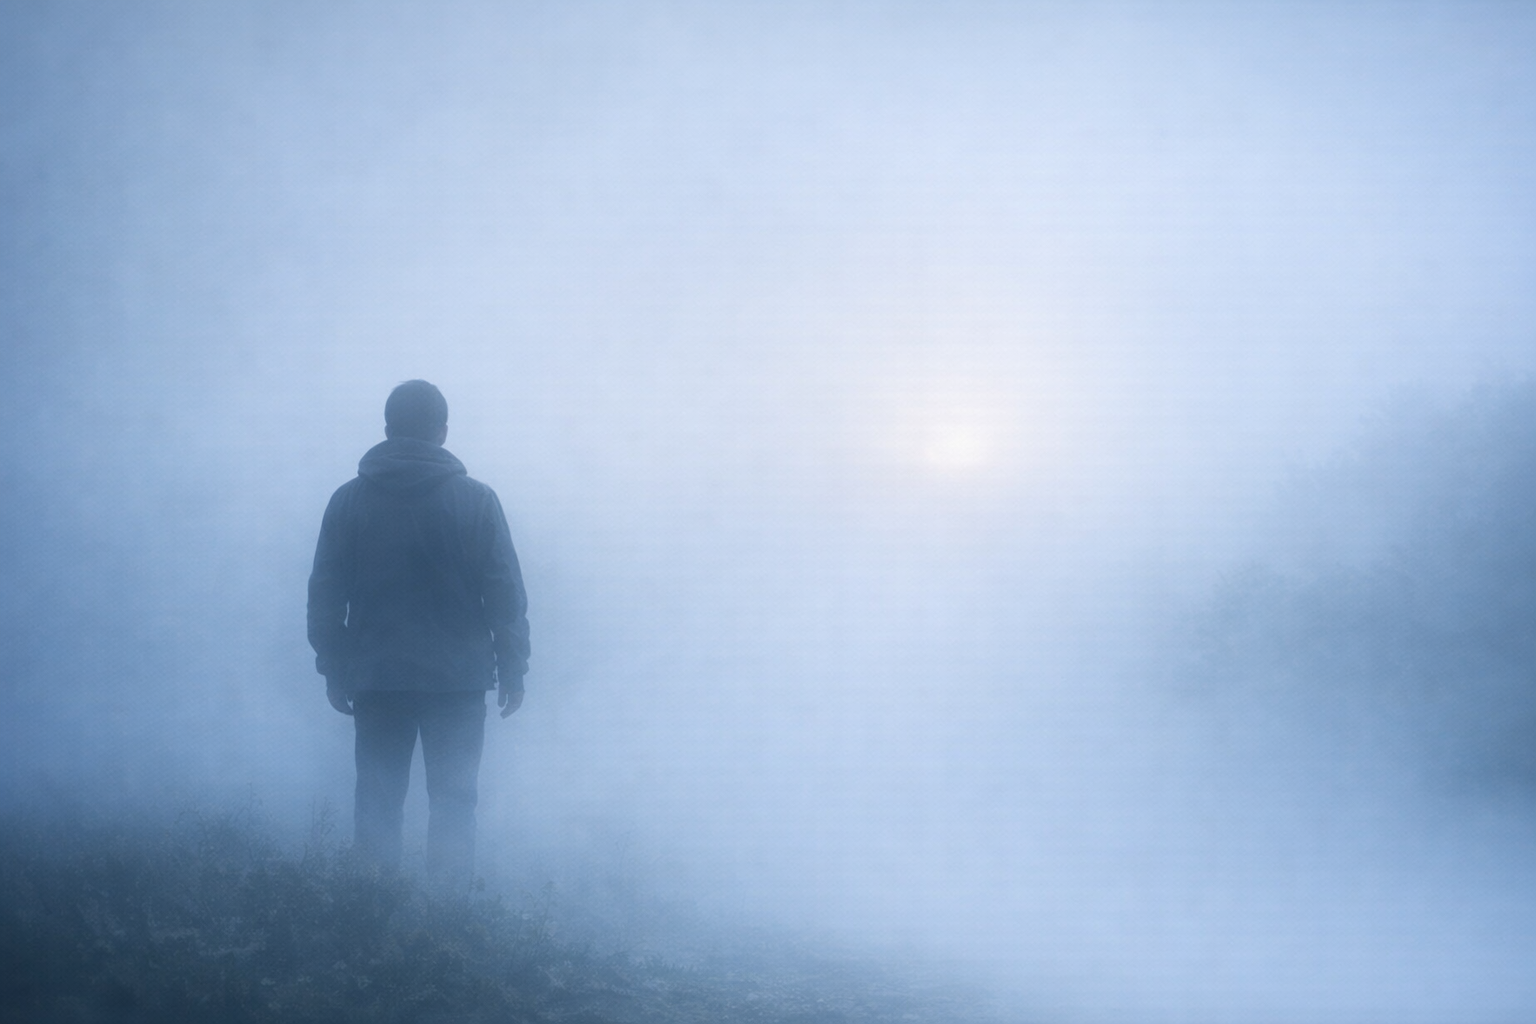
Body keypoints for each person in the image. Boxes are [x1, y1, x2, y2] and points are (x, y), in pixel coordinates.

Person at [307, 380, 529, 881]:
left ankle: (369, 913)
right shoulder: (477, 501)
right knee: (454, 806)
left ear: (388, 430)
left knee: (377, 804)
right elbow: (504, 594)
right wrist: (514, 668)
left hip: (377, 679)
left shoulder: (347, 501)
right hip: (457, 683)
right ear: (442, 432)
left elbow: (325, 596)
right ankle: (447, 920)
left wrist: (335, 668)